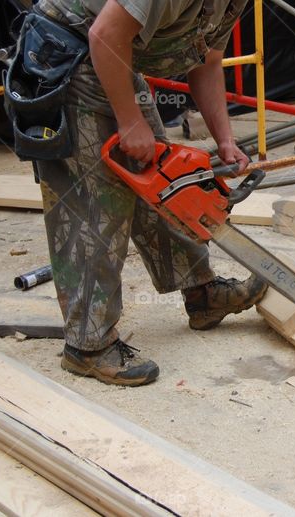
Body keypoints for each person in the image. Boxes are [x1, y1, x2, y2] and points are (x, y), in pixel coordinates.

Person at [30, 0, 265, 387]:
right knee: (97, 205)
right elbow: (104, 34)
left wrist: (225, 141)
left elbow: (206, 62)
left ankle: (201, 293)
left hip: (114, 58)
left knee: (167, 182)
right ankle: (87, 346)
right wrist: (128, 120)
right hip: (68, 54)